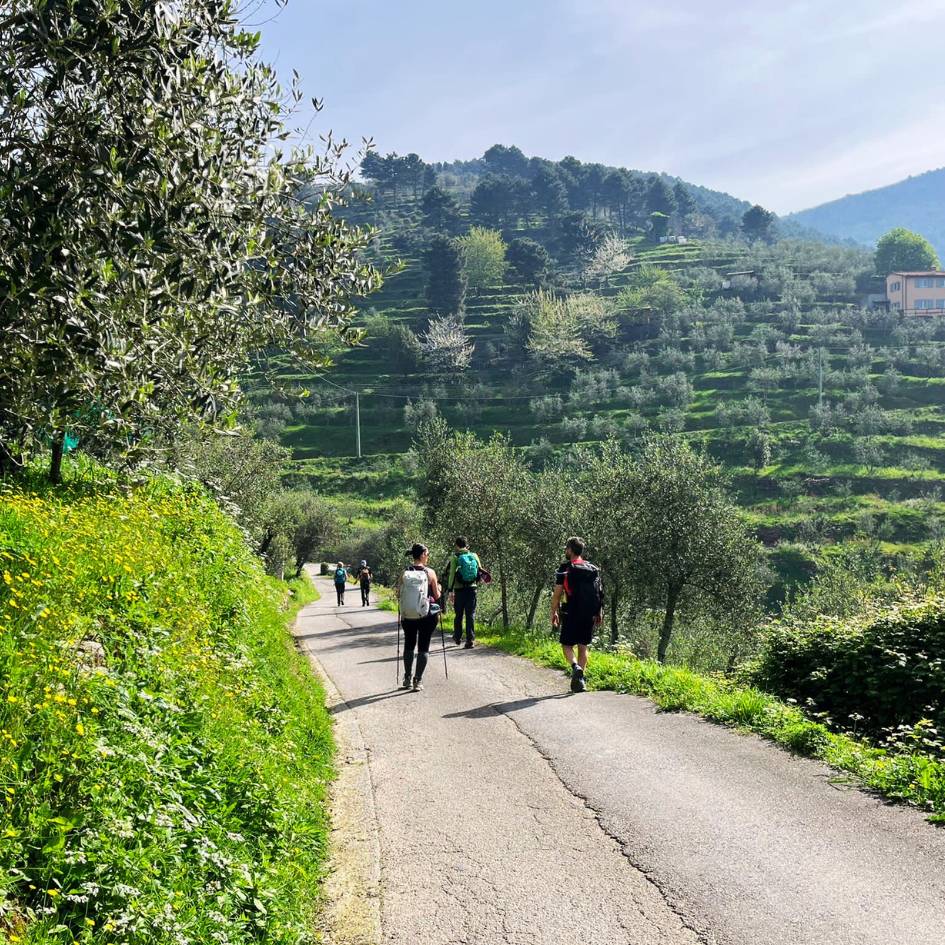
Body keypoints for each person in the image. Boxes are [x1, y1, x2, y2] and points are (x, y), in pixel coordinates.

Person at [550, 537, 603, 693]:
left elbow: (557, 594)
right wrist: (599, 612)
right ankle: (580, 681)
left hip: (571, 611)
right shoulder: (592, 568)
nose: (565, 551)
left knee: (566, 645)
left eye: (566, 549)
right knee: (583, 646)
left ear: (570, 550)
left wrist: (553, 612)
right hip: (589, 613)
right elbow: (599, 593)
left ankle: (575, 667)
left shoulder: (565, 568)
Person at [397, 543, 441, 692]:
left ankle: (407, 678)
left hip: (408, 615)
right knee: (424, 647)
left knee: (409, 644)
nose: (428, 557)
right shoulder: (430, 573)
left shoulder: (404, 573)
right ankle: (418, 680)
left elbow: (398, 594)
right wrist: (439, 588)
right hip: (426, 615)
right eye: (427, 554)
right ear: (422, 555)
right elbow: (436, 595)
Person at [445, 536, 481, 648]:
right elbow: (479, 570)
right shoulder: (474, 556)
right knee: (470, 615)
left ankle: (458, 637)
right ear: (467, 544)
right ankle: (470, 640)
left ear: (456, 545)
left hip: (459, 590)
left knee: (459, 614)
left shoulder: (455, 557)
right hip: (472, 589)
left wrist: (450, 590)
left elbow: (451, 575)